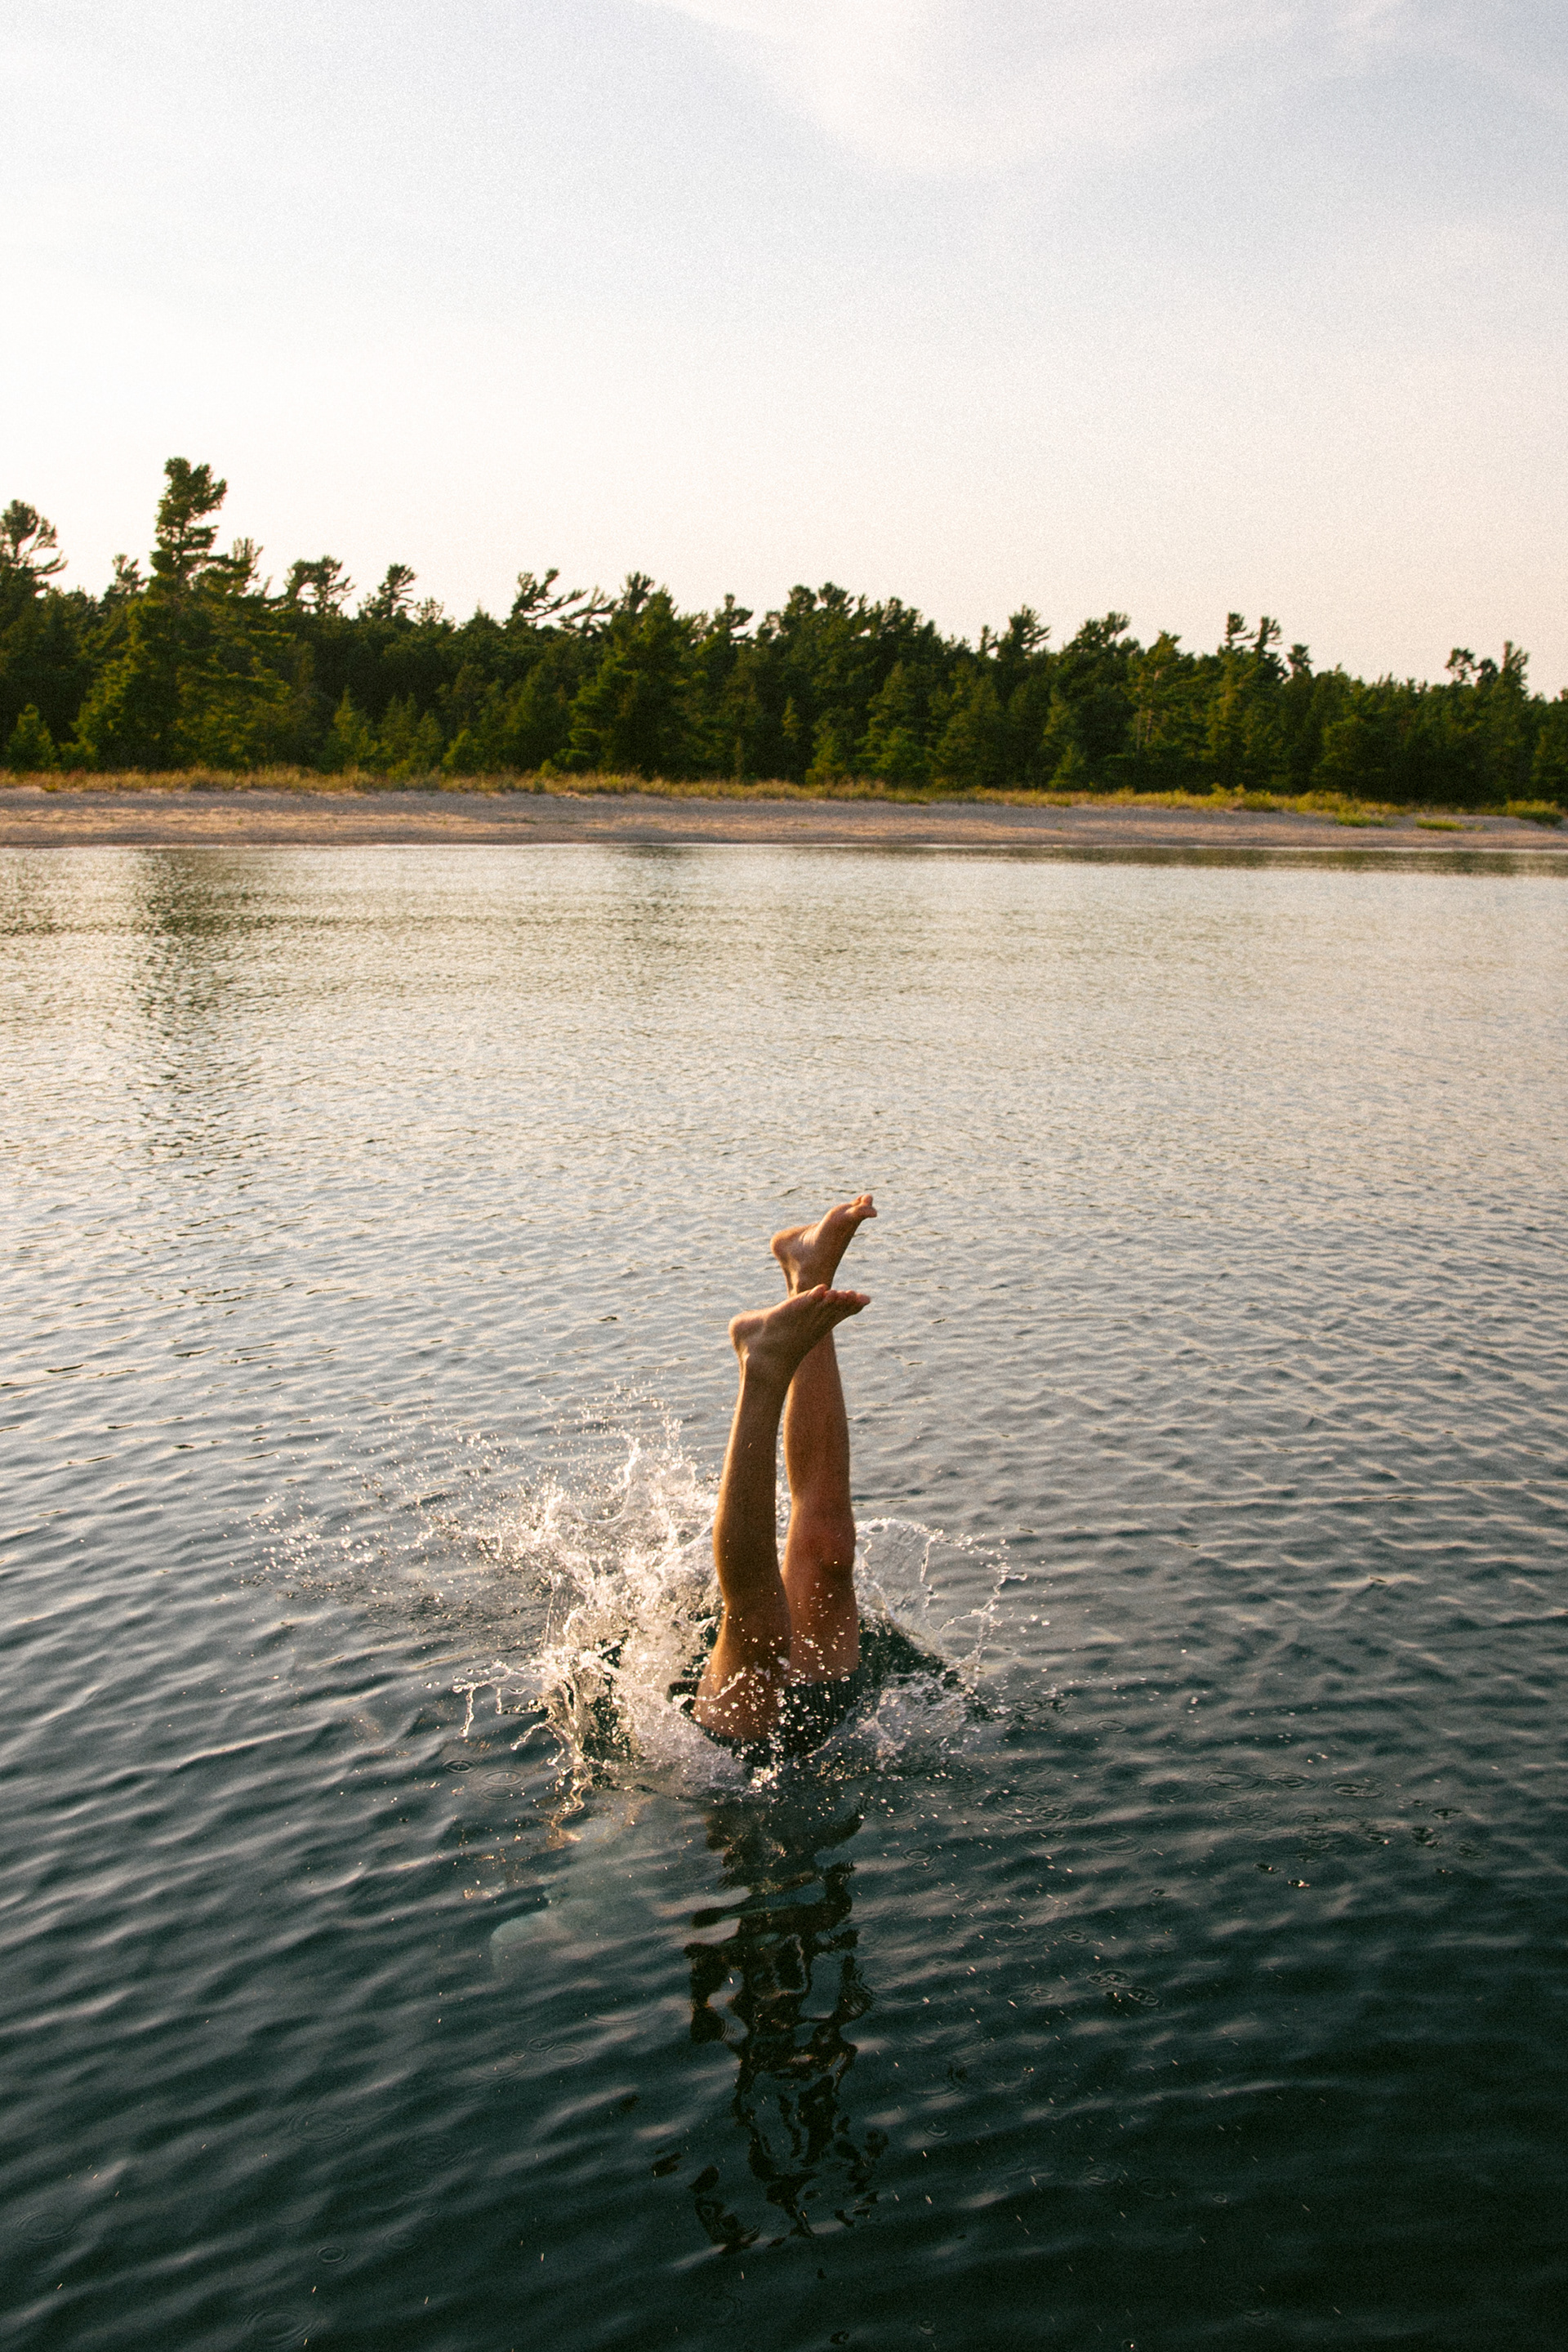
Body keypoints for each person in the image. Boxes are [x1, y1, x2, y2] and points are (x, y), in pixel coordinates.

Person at [693, 1195, 876, 1765]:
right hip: (733, 1761)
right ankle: (762, 1366)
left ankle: (808, 1278)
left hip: (754, 1742)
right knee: (763, 1627)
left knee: (828, 1553)